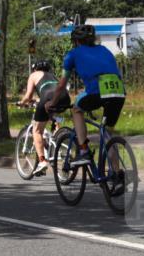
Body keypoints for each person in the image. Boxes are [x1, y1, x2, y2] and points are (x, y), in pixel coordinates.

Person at [46, 24, 126, 176]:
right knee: (108, 133)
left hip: (97, 92)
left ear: (75, 41)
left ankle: (83, 150)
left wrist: (53, 103)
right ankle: (117, 173)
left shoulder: (72, 54)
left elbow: (61, 85)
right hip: (118, 92)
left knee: (77, 108)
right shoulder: (104, 50)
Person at [18, 59, 71, 175]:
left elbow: (28, 96)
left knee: (37, 131)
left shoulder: (33, 75)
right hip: (64, 98)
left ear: (35, 68)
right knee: (53, 117)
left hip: (48, 97)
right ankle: (58, 143)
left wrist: (21, 103)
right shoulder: (52, 76)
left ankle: (42, 161)